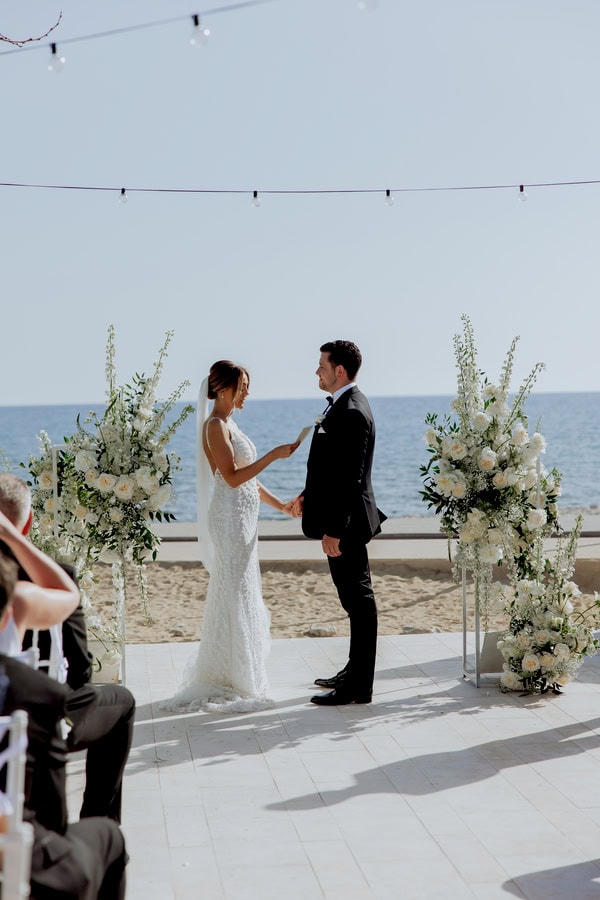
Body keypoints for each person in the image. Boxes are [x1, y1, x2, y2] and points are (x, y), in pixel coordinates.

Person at [163, 360, 299, 713]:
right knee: (233, 589)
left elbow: (249, 481)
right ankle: (233, 674)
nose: (248, 393)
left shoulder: (230, 423)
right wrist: (273, 455)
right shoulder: (214, 426)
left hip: (244, 517)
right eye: (244, 386)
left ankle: (242, 669)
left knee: (242, 589)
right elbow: (233, 477)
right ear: (224, 389)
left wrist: (281, 506)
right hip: (228, 519)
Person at [0, 473, 135, 823]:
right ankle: (98, 822)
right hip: (42, 713)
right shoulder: (40, 586)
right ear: (26, 523)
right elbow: (80, 670)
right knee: (120, 703)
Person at [0, 553, 128, 899]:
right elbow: (53, 819)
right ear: (10, 612)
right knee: (108, 837)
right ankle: (98, 818)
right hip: (24, 864)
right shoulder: (32, 695)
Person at [290, 340, 386, 705]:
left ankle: (358, 687)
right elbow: (330, 469)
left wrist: (335, 530)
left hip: (346, 525)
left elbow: (351, 477)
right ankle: (353, 671)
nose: (317, 371)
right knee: (352, 602)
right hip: (337, 519)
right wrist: (306, 496)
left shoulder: (353, 411)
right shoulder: (341, 407)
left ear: (339, 371)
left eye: (321, 365)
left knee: (360, 601)